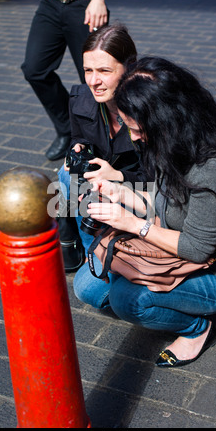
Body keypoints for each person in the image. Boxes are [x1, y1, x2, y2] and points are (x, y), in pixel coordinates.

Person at [73, 56, 216, 368]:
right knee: (87, 288)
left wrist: (133, 224)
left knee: (127, 300)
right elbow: (167, 202)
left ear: (166, 119)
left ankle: (196, 329)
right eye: (128, 126)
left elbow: (197, 249)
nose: (134, 137)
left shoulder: (212, 165)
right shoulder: (171, 141)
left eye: (137, 129)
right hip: (172, 244)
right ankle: (158, 301)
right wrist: (120, 191)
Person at [57, 23, 150, 261]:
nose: (94, 81)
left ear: (130, 67)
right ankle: (91, 249)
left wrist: (117, 177)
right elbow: (78, 138)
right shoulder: (80, 99)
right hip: (99, 189)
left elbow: (162, 181)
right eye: (88, 70)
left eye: (104, 71)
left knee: (87, 290)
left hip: (143, 194)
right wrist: (77, 150)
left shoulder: (151, 109)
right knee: (68, 173)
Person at [21, 0, 110, 161]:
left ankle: (104, 144)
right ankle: (67, 129)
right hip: (50, 3)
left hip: (86, 2)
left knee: (94, 79)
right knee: (34, 69)